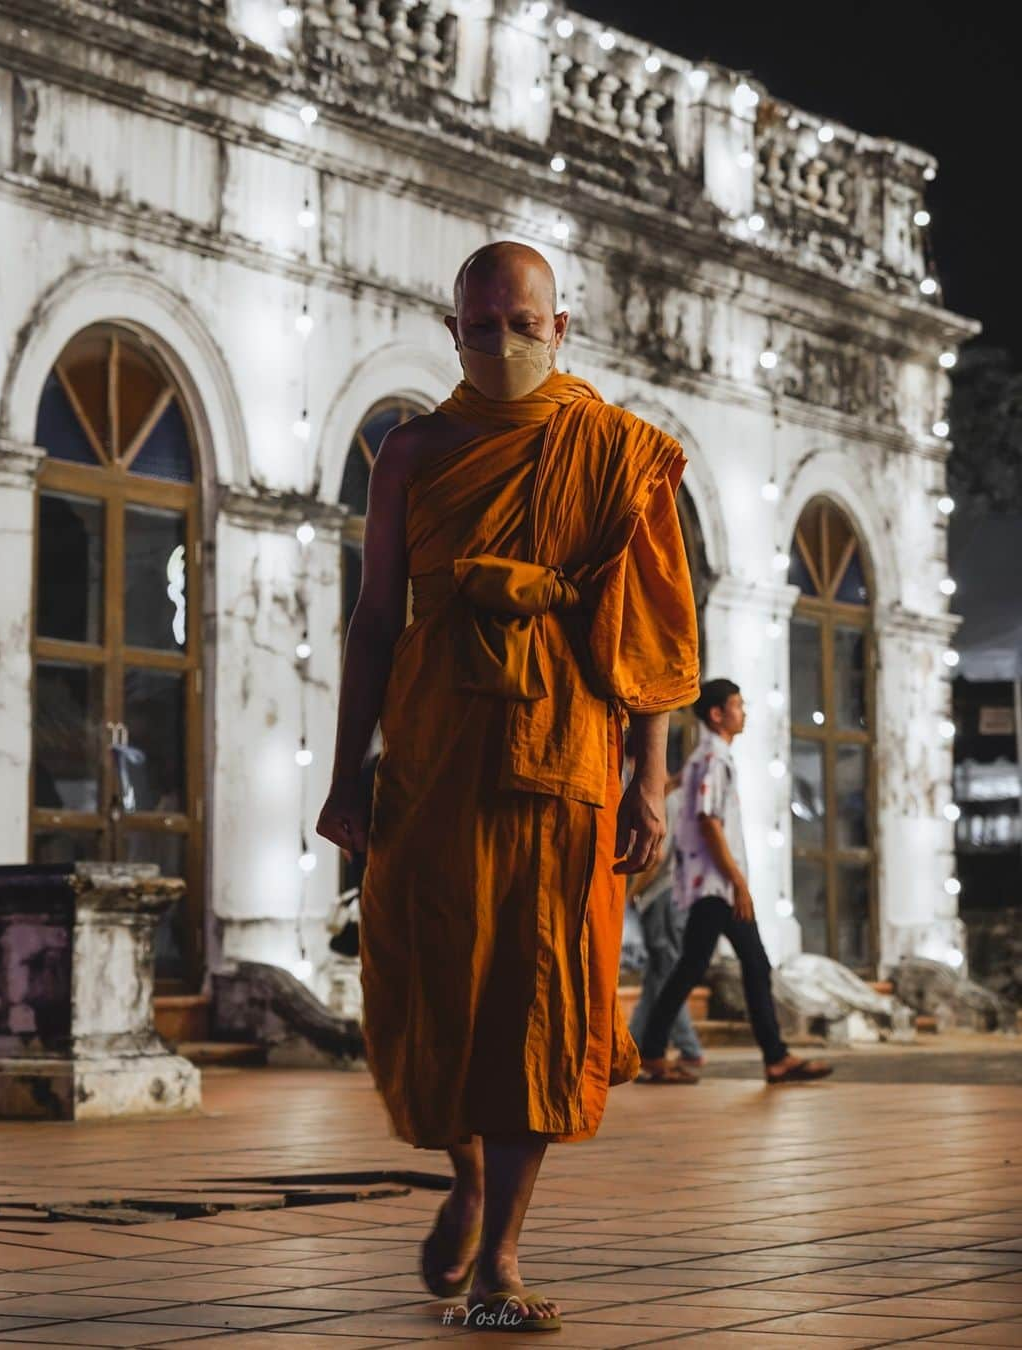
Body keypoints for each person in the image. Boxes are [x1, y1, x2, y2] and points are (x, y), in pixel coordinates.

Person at [316, 241, 699, 1332]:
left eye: (521, 325)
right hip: (433, 755)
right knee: (425, 986)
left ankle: (505, 1260)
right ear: (453, 332)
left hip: (566, 758)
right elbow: (376, 617)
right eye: (480, 326)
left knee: (540, 999)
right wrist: (348, 774)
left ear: (560, 329)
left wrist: (649, 782)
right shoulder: (412, 451)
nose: (501, 344)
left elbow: (650, 635)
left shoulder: (617, 451)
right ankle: (468, 1180)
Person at [638, 678, 833, 1087]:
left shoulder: (702, 758)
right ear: (717, 714)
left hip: (710, 883)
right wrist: (738, 882)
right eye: (738, 705)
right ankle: (659, 1053)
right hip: (715, 885)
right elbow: (709, 823)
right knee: (728, 966)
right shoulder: (714, 758)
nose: (743, 713)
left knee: (716, 966)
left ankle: (660, 1052)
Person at [627, 773, 705, 1080]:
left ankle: (690, 1048)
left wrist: (632, 892)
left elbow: (656, 857)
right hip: (673, 895)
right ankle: (633, 1045)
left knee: (666, 972)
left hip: (662, 896)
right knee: (656, 975)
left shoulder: (665, 803)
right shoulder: (680, 801)